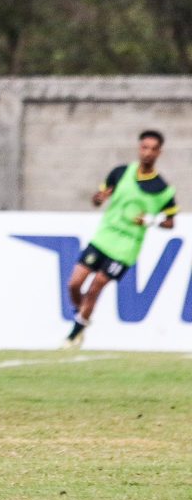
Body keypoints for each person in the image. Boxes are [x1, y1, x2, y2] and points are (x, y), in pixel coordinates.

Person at [62, 130, 178, 348]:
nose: (148, 153)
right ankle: (82, 317)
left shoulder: (163, 189)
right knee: (74, 284)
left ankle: (73, 336)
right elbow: (97, 200)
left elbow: (171, 222)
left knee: (96, 286)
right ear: (139, 148)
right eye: (145, 147)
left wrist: (150, 220)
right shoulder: (120, 172)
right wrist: (99, 198)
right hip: (104, 238)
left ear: (159, 153)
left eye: (153, 149)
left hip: (126, 247)